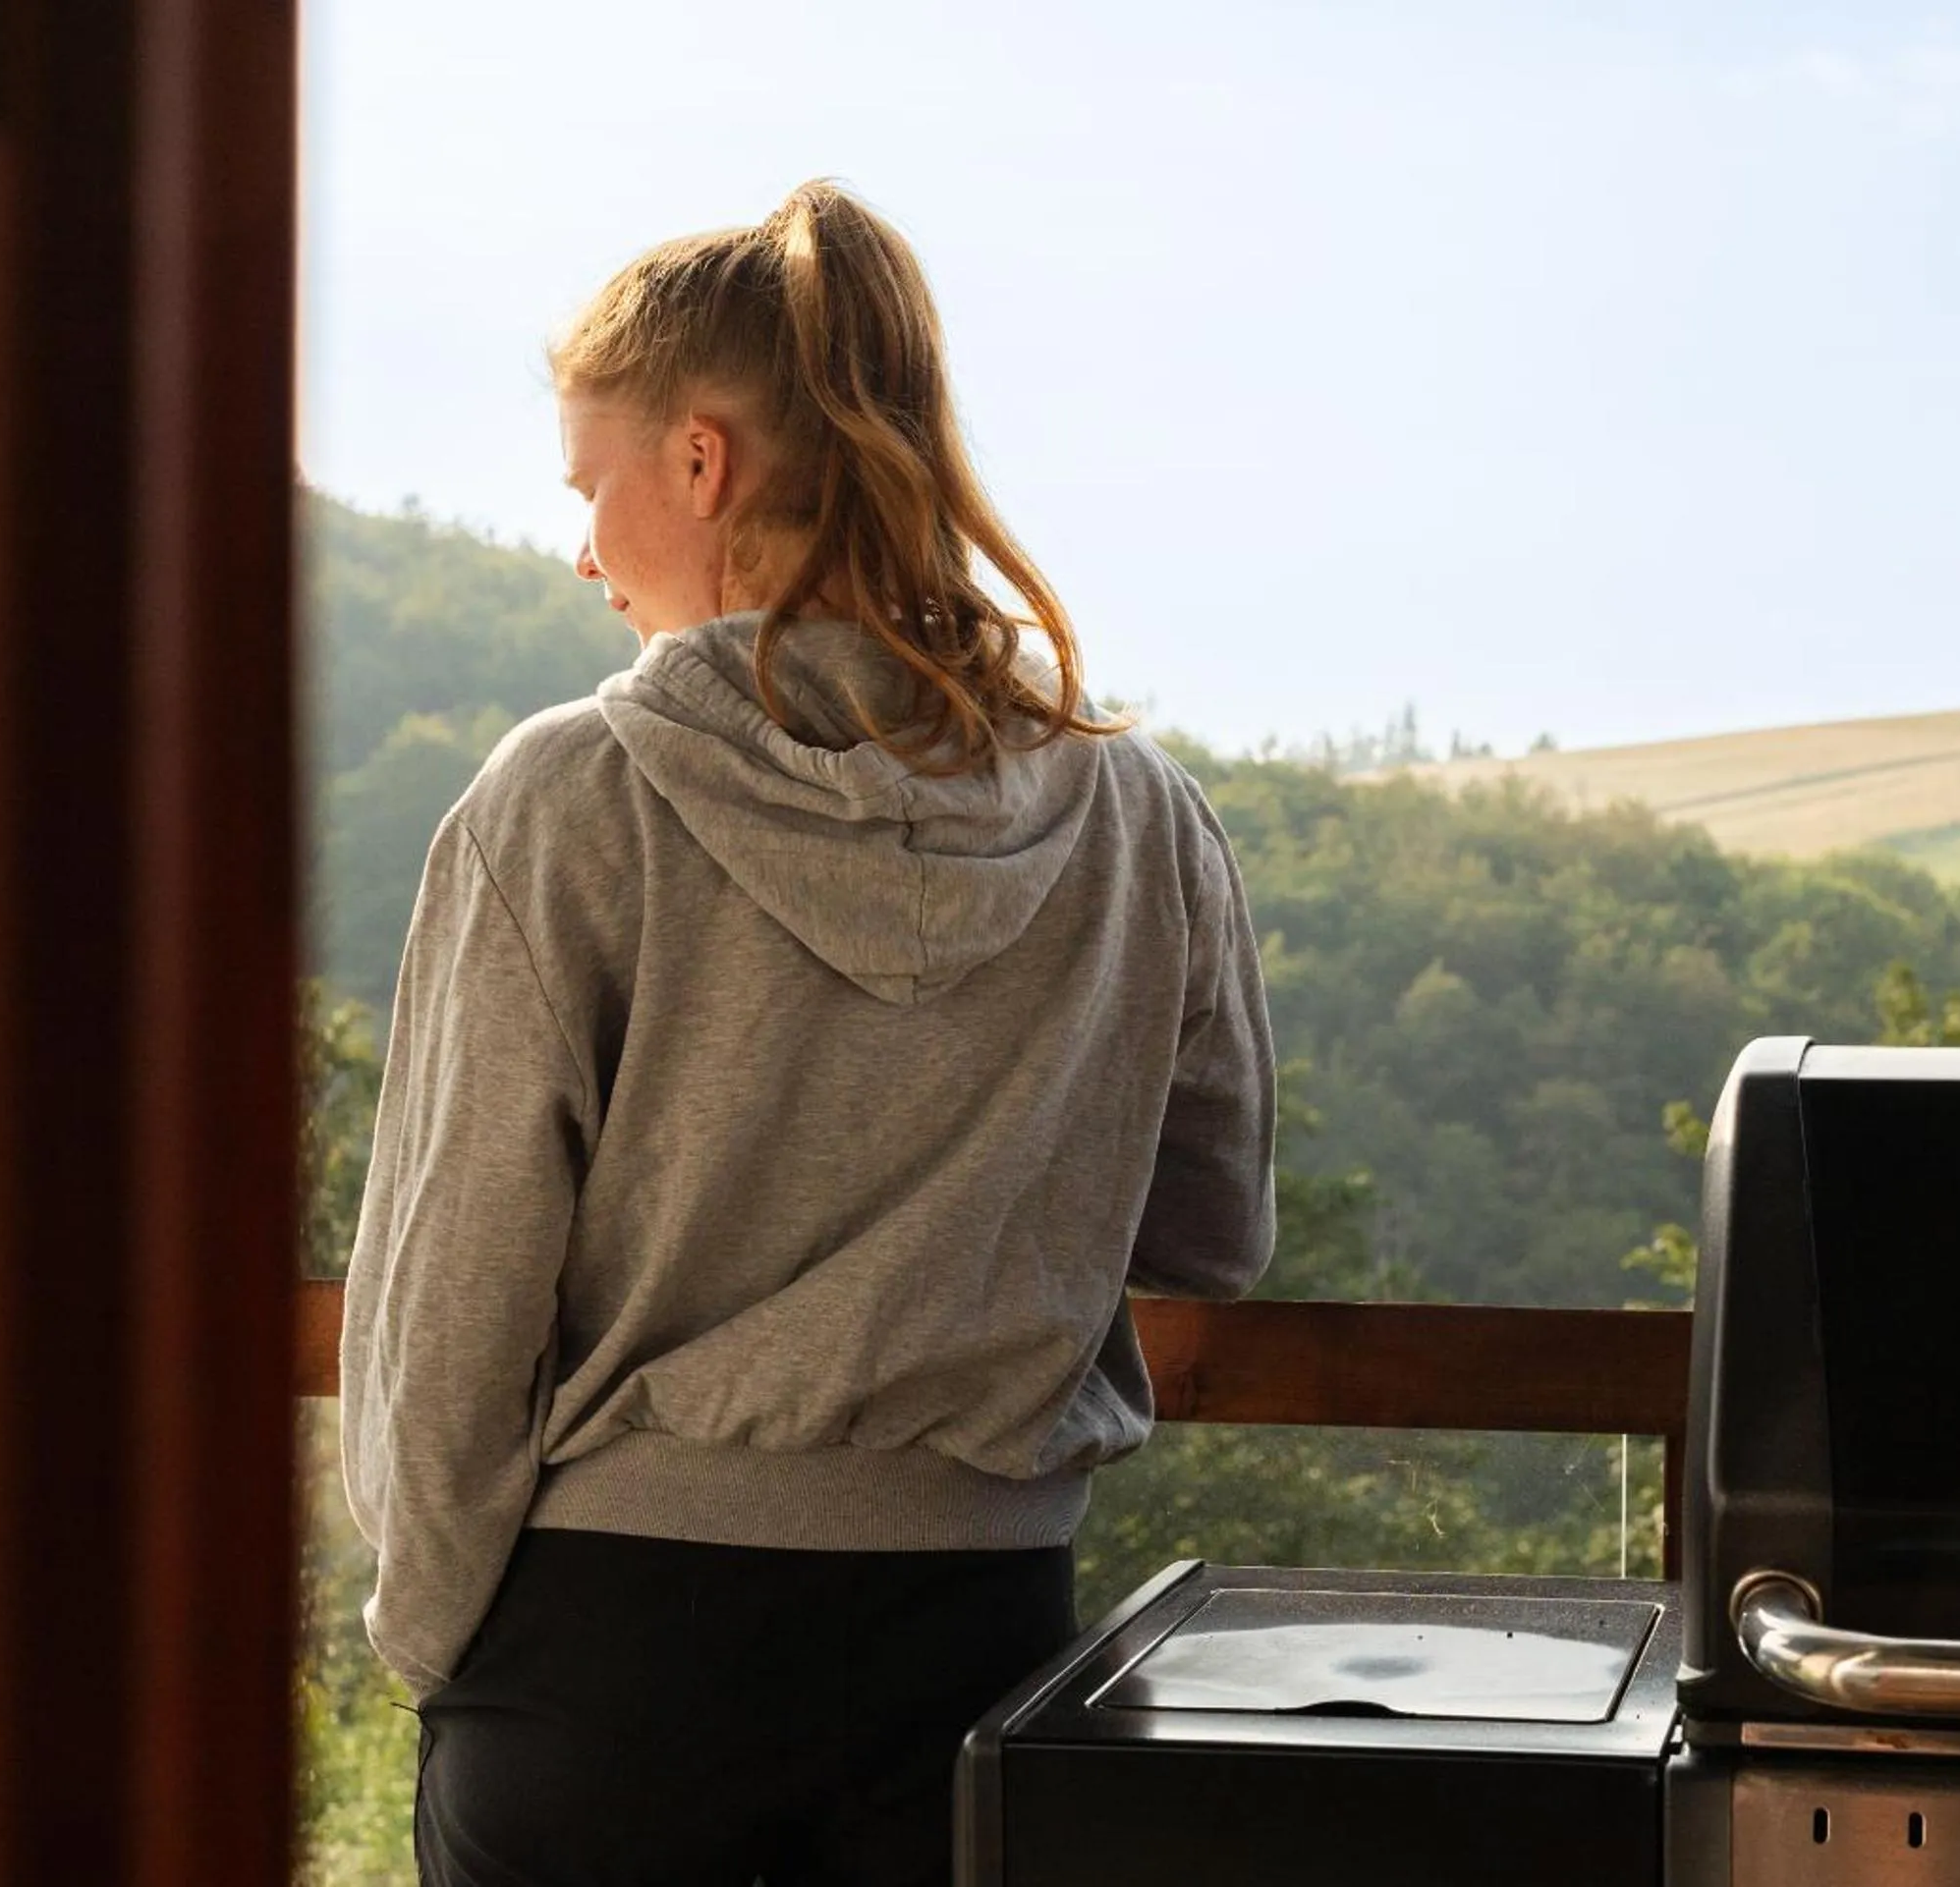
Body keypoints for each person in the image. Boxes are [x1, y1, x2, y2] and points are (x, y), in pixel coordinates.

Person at [338, 178, 1276, 1886]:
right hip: (981, 1653)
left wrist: (438, 1644)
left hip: (607, 1663)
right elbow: (1213, 1230)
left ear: (700, 466)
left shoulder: (569, 799)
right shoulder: (1142, 816)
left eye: (589, 485)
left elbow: (451, 1293)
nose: (579, 547)